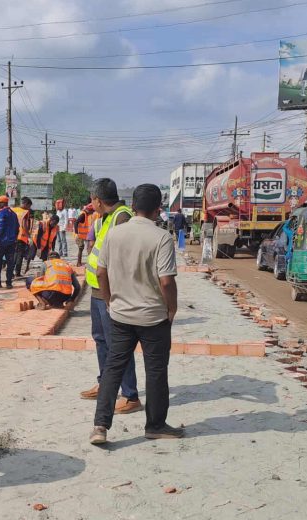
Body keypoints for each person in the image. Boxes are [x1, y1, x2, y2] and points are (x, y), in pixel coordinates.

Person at [90, 183, 180, 445]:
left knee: (112, 369)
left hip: (120, 315)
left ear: (132, 206)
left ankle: (100, 426)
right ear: (158, 209)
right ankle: (155, 425)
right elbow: (166, 281)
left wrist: (109, 301)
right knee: (155, 371)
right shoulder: (161, 237)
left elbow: (100, 272)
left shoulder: (114, 234)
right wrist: (171, 308)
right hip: (153, 317)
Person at [81, 178, 141, 414]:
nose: (90, 203)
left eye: (91, 199)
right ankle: (106, 384)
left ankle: (130, 395)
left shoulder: (122, 217)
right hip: (97, 291)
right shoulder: (104, 219)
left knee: (119, 345)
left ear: (98, 200)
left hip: (113, 293)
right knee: (101, 339)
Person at [0, 196, 18, 289]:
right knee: (10, 263)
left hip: (2, 242)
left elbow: (1, 228)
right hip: (12, 242)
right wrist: (14, 238)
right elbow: (17, 228)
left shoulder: (2, 213)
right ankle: (9, 283)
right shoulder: (14, 214)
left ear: (3, 203)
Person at [11, 198, 33, 277]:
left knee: (13, 254)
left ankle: (11, 271)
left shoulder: (13, 210)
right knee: (19, 255)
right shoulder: (25, 212)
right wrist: (29, 235)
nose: (29, 208)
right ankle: (17, 272)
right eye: (29, 206)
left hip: (13, 236)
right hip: (21, 236)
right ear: (26, 204)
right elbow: (24, 225)